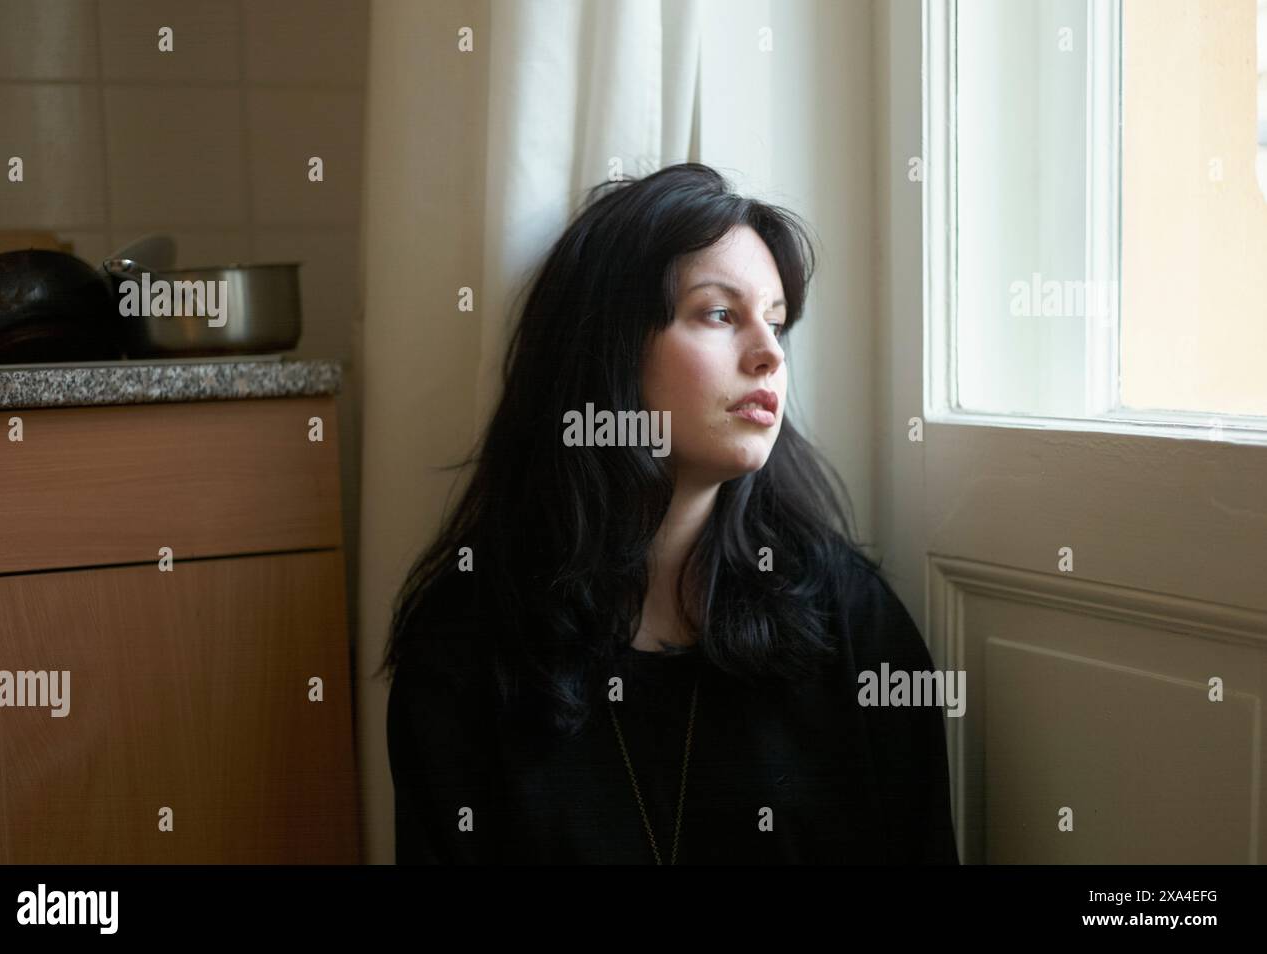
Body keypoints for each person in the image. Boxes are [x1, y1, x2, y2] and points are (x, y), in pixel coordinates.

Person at [380, 162, 959, 865]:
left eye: (777, 324)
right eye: (720, 314)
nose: (769, 354)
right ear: (611, 349)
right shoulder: (465, 647)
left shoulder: (846, 620)